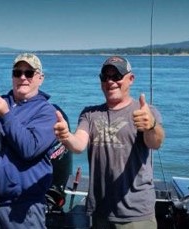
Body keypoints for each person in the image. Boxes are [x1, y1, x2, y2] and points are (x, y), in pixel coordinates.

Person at [53, 56, 165, 229]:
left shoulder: (146, 112)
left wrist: (151, 126)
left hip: (136, 214)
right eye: (105, 77)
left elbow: (155, 142)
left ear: (131, 79)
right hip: (100, 212)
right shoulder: (90, 114)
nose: (110, 81)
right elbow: (79, 144)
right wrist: (66, 136)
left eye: (117, 76)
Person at [0, 53, 58, 229]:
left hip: (23, 210)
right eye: (18, 73)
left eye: (29, 73)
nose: (23, 77)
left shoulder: (47, 112)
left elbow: (30, 148)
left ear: (40, 78)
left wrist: (5, 115)